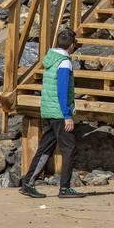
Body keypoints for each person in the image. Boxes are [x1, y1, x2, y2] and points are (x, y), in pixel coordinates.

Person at [19, 27, 85, 199]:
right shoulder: (64, 62)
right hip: (59, 112)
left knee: (45, 148)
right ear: (71, 45)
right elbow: (62, 90)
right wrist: (67, 115)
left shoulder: (51, 59)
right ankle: (64, 188)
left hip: (48, 110)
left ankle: (28, 183)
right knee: (69, 149)